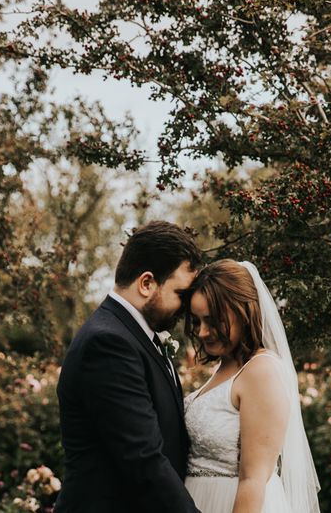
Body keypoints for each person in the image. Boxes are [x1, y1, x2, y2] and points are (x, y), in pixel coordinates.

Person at [54, 220, 203, 513]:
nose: (185, 308)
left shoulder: (135, 335)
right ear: (147, 283)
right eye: (181, 295)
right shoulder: (108, 343)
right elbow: (143, 458)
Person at [183, 259, 320, 513]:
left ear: (243, 311)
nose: (202, 332)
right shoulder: (224, 367)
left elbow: (253, 479)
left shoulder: (261, 371)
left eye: (212, 321)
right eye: (197, 321)